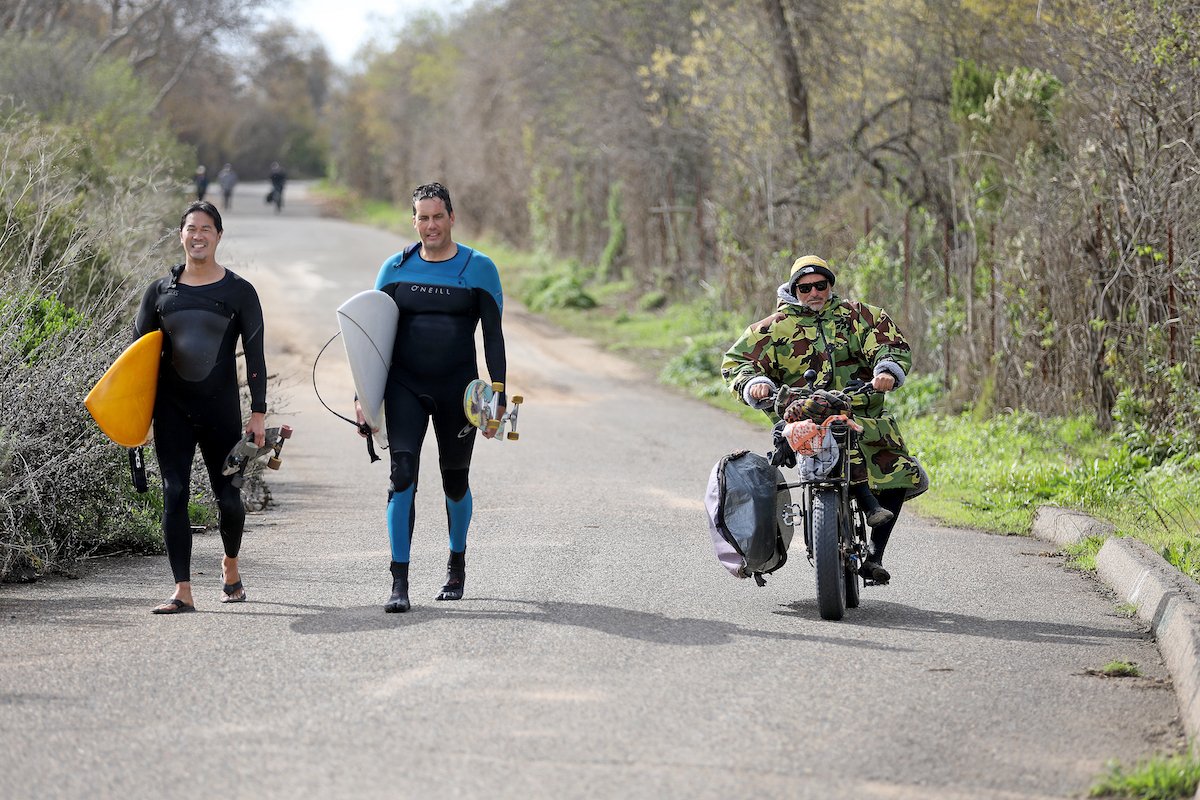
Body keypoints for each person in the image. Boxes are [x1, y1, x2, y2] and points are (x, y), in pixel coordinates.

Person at [722, 255, 926, 584]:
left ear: (830, 286)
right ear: (794, 290)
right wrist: (753, 382)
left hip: (861, 411)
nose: (814, 293)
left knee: (899, 471)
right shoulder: (774, 328)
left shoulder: (860, 316)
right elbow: (736, 362)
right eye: (805, 288)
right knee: (768, 474)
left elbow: (891, 343)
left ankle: (875, 555)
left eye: (821, 285)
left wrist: (887, 368)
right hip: (804, 418)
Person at [355, 182, 506, 613]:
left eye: (438, 216)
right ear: (414, 220)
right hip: (404, 387)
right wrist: (362, 397)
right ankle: (398, 582)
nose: (430, 225)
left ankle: (456, 564)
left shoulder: (479, 268)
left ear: (452, 217)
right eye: (423, 217)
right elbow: (370, 337)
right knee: (402, 478)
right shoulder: (395, 268)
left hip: (459, 391)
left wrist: (498, 393)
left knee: (454, 481)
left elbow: (493, 337)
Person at [135, 201, 268, 614]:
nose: (198, 235)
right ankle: (182, 590)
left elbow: (257, 355)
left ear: (218, 236)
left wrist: (258, 412)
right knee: (173, 494)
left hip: (221, 412)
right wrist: (135, 420)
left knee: (229, 499)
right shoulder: (160, 292)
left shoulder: (239, 292)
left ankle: (230, 566)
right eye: (191, 228)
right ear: (181, 234)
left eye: (206, 228)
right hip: (171, 410)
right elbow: (137, 361)